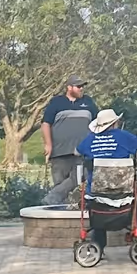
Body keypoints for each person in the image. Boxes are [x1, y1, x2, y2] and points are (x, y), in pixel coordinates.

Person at [40, 78, 98, 208]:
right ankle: (60, 214)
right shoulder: (56, 102)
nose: (81, 88)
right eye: (78, 86)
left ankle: (51, 198)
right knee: (60, 182)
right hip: (59, 151)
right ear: (69, 87)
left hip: (82, 151)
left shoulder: (88, 102)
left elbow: (97, 124)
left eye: (82, 86)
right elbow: (45, 124)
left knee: (80, 177)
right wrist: (48, 144)